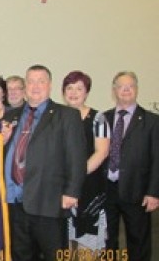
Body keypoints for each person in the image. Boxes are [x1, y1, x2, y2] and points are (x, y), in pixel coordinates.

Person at [2, 64, 87, 261]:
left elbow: (76, 157)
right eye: (31, 81)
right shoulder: (11, 116)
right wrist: (2, 142)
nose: (35, 86)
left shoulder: (67, 115)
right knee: (20, 255)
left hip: (49, 202)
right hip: (15, 202)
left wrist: (72, 192)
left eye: (41, 81)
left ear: (50, 85)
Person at [103, 71, 159, 261]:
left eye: (130, 86)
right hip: (106, 190)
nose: (126, 90)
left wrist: (153, 192)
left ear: (136, 89)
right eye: (121, 86)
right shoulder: (103, 118)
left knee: (138, 241)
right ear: (114, 91)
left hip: (137, 191)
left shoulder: (152, 121)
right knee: (106, 240)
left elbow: (157, 158)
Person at [62, 71, 110, 254]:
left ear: (87, 92)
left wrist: (76, 177)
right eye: (69, 88)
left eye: (79, 88)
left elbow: (102, 152)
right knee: (61, 244)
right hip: (60, 189)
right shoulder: (57, 116)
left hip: (89, 188)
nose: (74, 92)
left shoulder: (98, 118)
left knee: (86, 247)